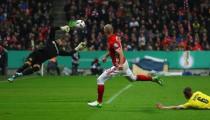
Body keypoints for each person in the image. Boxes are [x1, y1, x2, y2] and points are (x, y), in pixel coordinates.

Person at [88, 24, 163, 108]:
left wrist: (119, 65)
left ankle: (99, 102)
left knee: (100, 79)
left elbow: (120, 52)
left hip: (119, 66)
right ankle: (153, 79)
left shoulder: (112, 41)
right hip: (125, 63)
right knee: (133, 78)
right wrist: (106, 56)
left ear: (105, 31)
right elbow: (114, 50)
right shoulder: (115, 37)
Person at [8, 23, 86, 82]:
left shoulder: (59, 51)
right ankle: (14, 75)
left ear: (62, 44)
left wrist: (78, 47)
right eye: (59, 39)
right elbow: (52, 29)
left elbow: (70, 53)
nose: (60, 40)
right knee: (27, 64)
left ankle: (20, 74)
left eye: (62, 41)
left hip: (40, 60)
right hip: (35, 54)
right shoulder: (51, 40)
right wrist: (62, 28)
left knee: (36, 68)